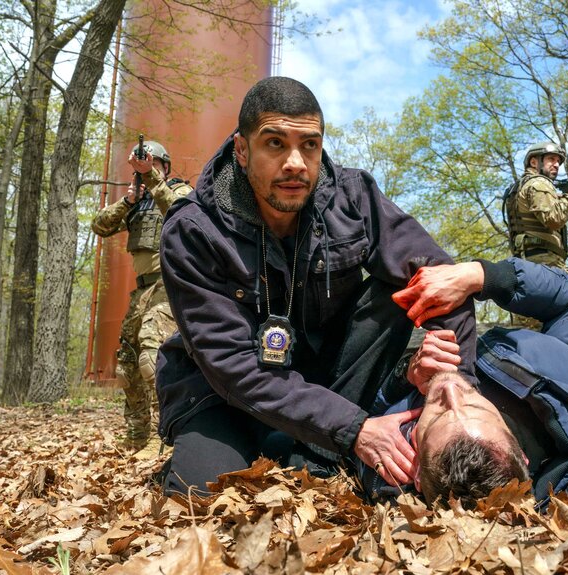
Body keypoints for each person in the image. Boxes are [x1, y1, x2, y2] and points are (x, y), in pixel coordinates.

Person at [155, 76, 476, 496]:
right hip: (222, 390)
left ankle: (308, 448)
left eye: (310, 145)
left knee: (406, 290)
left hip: (328, 376)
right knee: (199, 496)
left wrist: (458, 391)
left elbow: (439, 279)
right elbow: (233, 367)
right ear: (242, 149)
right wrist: (355, 429)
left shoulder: (351, 197)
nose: (296, 163)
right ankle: (298, 445)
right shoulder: (193, 230)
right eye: (275, 143)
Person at [357, 258, 568, 508]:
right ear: (522, 455)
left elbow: (356, 405)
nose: (450, 389)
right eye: (476, 404)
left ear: (418, 471)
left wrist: (403, 377)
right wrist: (487, 276)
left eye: (437, 415)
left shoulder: (389, 469)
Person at [91, 141, 192, 457]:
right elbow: (99, 225)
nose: (146, 169)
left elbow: (180, 214)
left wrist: (151, 179)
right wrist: (127, 201)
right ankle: (137, 436)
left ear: (164, 165)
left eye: (152, 163)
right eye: (142, 165)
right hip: (142, 289)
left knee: (152, 355)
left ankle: (166, 437)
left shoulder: (181, 192)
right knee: (128, 363)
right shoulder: (137, 202)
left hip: (171, 284)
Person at [505, 141, 568, 270]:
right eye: (551, 159)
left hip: (528, 261)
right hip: (544, 263)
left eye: (558, 161)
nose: (557, 164)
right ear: (534, 162)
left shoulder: (520, 187)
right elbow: (554, 219)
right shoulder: (539, 183)